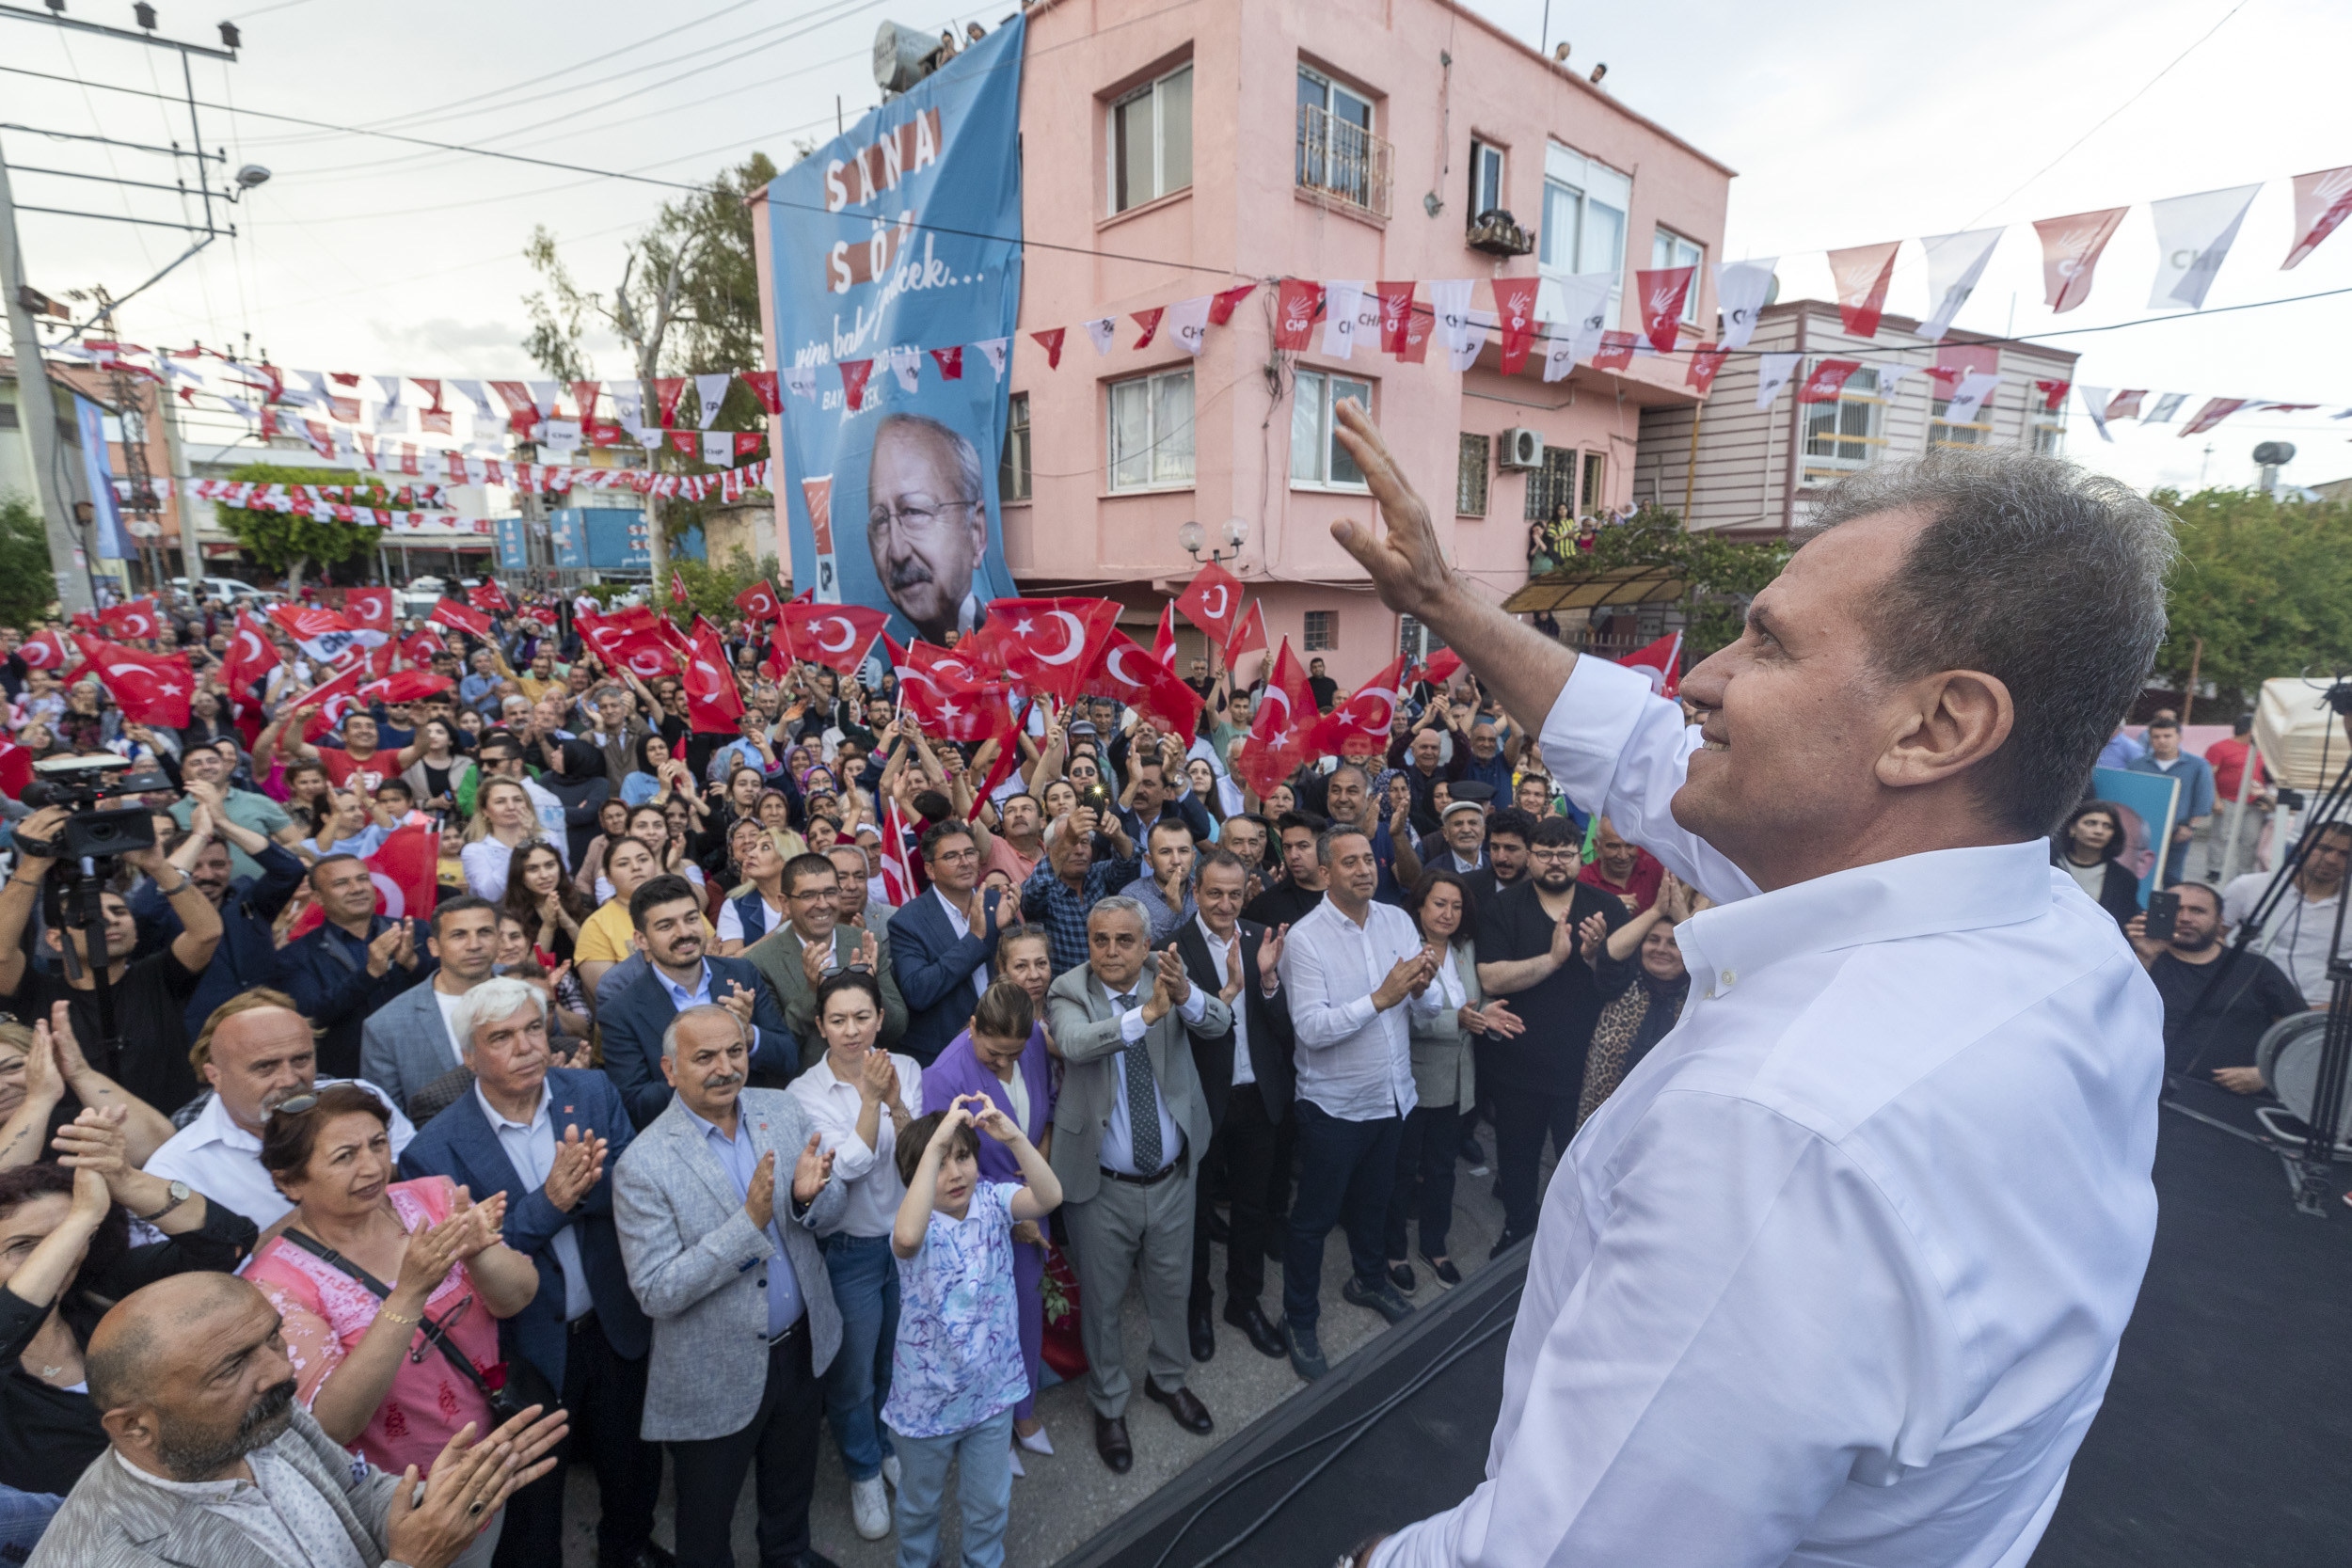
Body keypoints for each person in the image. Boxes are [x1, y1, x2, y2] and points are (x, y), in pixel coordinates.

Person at [1324, 404, 2170, 1568]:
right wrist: (1446, 604)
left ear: (1938, 725)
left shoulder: (1778, 1132)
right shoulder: (2065, 944)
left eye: (1767, 644)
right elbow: (1645, 757)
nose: (1700, 680)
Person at [26, 1273, 565, 1568]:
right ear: (135, 1427)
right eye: (232, 1367)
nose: (279, 1369)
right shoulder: (116, 1554)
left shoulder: (260, 1420)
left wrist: (435, 1502)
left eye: (272, 1337)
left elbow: (358, 1494)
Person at [394, 977, 663, 1568]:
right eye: (501, 1037)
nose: (526, 1047)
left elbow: (632, 1186)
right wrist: (551, 1201)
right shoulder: (432, 1151)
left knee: (633, 1460)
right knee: (535, 1495)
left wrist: (525, 1217)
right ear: (468, 1055)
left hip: (613, 1320)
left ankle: (627, 1549)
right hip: (523, 1349)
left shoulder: (591, 1091)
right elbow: (464, 1262)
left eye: (533, 1029)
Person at [242, 1084, 541, 1565]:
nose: (372, 1167)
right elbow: (333, 1423)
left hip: (494, 1454)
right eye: (344, 1156)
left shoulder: (432, 1196)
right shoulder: (277, 1281)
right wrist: (410, 1292)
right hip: (403, 1500)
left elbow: (517, 1298)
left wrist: (478, 1251)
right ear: (290, 1182)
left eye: (378, 1144)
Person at [611, 1005, 846, 1568]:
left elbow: (830, 1211)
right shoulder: (642, 1165)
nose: (725, 1067)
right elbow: (656, 1290)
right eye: (705, 1057)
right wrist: (749, 1225)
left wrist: (809, 1200)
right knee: (706, 1520)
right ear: (670, 1070)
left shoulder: (781, 1109)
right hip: (713, 1371)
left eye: (735, 1051)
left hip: (801, 1344)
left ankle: (787, 1555)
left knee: (791, 1488)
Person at [1043, 896, 1229, 1472]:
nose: (1112, 952)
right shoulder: (1067, 991)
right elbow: (1075, 1044)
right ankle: (1108, 1404)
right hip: (1101, 1186)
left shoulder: (1166, 974)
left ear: (1146, 945)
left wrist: (1187, 996)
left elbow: (1220, 1023)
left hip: (1174, 1177)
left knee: (1172, 1288)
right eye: (1101, 940)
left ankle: (1168, 1380)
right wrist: (1148, 1014)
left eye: (1125, 940)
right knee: (1101, 1302)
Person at [0, 1107, 256, 1499]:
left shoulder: (101, 1295)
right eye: (23, 1246)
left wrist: (126, 1178)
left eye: (70, 1238)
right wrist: (80, 1216)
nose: (59, 1256)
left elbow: (228, 1243)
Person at [1275, 828, 1439, 1378]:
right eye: (1350, 863)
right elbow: (1311, 1029)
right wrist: (1380, 999)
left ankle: (1368, 1281)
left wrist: (1420, 991)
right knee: (1314, 1221)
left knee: (1376, 1203)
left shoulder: (1396, 920)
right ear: (1325, 874)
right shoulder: (1305, 939)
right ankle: (1299, 1318)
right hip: (1334, 1108)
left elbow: (1428, 1006)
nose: (1365, 870)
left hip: (1392, 1098)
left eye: (1369, 859)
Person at [884, 1097, 1062, 1568]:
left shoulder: (993, 1201)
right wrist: (939, 1138)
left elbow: (1049, 1197)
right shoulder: (912, 1225)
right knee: (919, 1506)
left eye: (962, 1157)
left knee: (988, 1506)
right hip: (925, 1403)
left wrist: (1015, 1138)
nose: (955, 1173)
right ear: (915, 1178)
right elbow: (905, 1240)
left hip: (991, 1394)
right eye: (939, 1165)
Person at [785, 970, 923, 1541]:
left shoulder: (907, 1069)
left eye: (861, 1017)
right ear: (820, 1026)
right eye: (837, 1020)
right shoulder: (803, 1094)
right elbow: (843, 1171)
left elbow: (919, 1154)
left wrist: (895, 1102)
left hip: (906, 1243)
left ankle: (887, 1444)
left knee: (895, 1359)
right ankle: (862, 1470)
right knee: (852, 1376)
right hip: (848, 1251)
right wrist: (871, 1099)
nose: (851, 1031)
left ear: (879, 1018)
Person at [0, 806, 221, 1117]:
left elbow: (207, 933)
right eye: (87, 916)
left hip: (168, 1143)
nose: (107, 922)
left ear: (136, 933)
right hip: (72, 1147)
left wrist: (158, 866)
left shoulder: (158, 978)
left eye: (119, 913)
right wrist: (32, 866)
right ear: (54, 939)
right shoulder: (36, 993)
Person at [1473, 814, 1628, 1249]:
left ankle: (1574, 1239)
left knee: (1578, 1160)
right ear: (1530, 858)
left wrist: (1596, 955)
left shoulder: (1606, 908)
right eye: (1545, 855)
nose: (1555, 863)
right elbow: (1491, 978)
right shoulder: (1505, 908)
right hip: (1517, 1065)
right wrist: (1554, 959)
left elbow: (1617, 986)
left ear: (1582, 857)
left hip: (1584, 1068)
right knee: (1517, 1156)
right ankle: (1519, 1228)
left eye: (1565, 854)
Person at [146, 990, 417, 1229]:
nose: (289, 1080)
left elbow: (420, 1180)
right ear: (214, 1076)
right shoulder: (174, 1170)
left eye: (301, 1060)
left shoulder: (361, 1099)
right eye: (265, 1067)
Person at [924, 965, 1057, 1449]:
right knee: (984, 1324)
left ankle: (1024, 1412)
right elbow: (947, 1169)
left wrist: (1036, 1156)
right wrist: (1012, 1217)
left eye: (1014, 1055)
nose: (1003, 1064)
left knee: (1025, 1311)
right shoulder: (943, 1077)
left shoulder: (1035, 1042)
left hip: (1030, 1201)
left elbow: (1046, 1110)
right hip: (980, 1219)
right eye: (993, 1053)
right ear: (973, 1026)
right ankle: (991, 1429)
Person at [1169, 847, 1294, 1362]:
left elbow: (1285, 1028)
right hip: (1200, 1099)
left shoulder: (1262, 938)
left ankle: (1244, 1302)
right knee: (1196, 1216)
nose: (1225, 903)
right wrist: (1223, 992)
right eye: (1215, 893)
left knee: (1252, 1210)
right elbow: (1172, 1032)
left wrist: (1267, 982)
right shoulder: (1169, 950)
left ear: (1248, 893)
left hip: (1258, 1095)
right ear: (1195, 891)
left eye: (1235, 894)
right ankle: (1198, 1306)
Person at [1385, 869, 1513, 1292]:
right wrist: (1457, 1021)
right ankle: (1394, 1251)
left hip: (1459, 1081)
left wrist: (1488, 1014)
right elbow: (1398, 1017)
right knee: (1402, 1171)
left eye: (1456, 906)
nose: (1448, 914)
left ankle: (1435, 1246)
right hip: (1416, 1079)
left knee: (1442, 1170)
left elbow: (1477, 1000)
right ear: (1419, 905)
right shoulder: (1401, 952)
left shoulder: (1464, 949)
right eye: (1439, 904)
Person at [598, 874, 798, 1128]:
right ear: (641, 940)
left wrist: (747, 1034)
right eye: (666, 926)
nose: (684, 933)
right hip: (682, 1137)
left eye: (692, 919)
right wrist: (699, 1071)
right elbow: (636, 1104)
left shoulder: (741, 974)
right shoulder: (621, 1011)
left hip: (759, 1123)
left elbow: (789, 1059)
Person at [135, 807, 304, 1037]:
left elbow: (289, 869)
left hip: (266, 1024)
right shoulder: (161, 912)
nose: (207, 875)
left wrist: (224, 824)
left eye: (217, 865)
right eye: (194, 866)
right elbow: (144, 911)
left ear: (230, 866)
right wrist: (199, 836)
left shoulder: (249, 898)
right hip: (198, 1035)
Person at [2126, 881, 2305, 1096]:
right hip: (2149, 1092)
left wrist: (2266, 1074)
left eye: (2197, 911)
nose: (2185, 918)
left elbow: (2305, 1032)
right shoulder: (2138, 961)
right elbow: (2111, 1017)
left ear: (2220, 921)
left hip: (2234, 1099)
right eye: (2177, 909)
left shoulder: (2255, 968)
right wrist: (2146, 956)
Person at [743, 852, 909, 1061]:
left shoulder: (864, 941)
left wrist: (870, 985)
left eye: (830, 893)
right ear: (785, 903)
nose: (822, 904)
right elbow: (779, 1048)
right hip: (804, 1084)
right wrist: (812, 992)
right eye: (808, 895)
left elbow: (897, 1028)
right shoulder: (760, 962)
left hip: (869, 1073)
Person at [360, 897, 504, 1118]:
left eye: (484, 932)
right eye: (459, 935)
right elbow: (388, 1121)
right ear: (434, 947)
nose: (474, 945)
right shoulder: (386, 1026)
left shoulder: (528, 987)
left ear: (499, 939)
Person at [1575, 874, 1699, 1125]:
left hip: (1662, 1120)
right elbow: (1609, 953)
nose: (1661, 949)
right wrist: (1655, 911)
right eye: (1653, 940)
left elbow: (1714, 962)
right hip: (1606, 1118)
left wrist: (1681, 915)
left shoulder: (1697, 995)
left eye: (1673, 943)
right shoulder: (1623, 983)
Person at [867, 412, 993, 645]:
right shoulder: (897, 676)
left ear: (976, 532)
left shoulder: (1010, 658)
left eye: (914, 512)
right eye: (881, 521)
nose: (897, 552)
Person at [892, 821, 1011, 1065]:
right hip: (946, 1055)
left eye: (969, 853)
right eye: (951, 856)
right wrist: (974, 940)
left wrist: (1009, 932)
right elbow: (918, 991)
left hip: (1005, 1044)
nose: (965, 862)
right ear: (930, 870)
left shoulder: (995, 901)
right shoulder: (907, 921)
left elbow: (1017, 970)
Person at [2221, 818, 2352, 1008]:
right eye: (2323, 848)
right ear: (2302, 846)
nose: (2332, 859)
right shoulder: (2249, 887)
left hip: (2329, 1015)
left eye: (2344, 854)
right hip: (2253, 1005)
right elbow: (2216, 938)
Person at [2126, 716, 2214, 887]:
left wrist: (2190, 827)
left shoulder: (2198, 765)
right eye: (2156, 737)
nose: (2162, 741)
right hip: (2140, 832)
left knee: (2171, 877)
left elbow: (2203, 800)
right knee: (2135, 874)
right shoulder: (2137, 765)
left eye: (2167, 736)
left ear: (2179, 738)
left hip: (2177, 833)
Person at [461, 778, 562, 904]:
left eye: (518, 800)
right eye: (500, 802)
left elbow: (564, 877)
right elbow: (490, 895)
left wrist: (532, 839)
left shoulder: (549, 838)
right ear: (485, 811)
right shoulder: (475, 850)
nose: (511, 807)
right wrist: (520, 844)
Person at [2052, 799, 2145, 931]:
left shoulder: (2124, 879)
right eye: (2091, 823)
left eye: (2107, 826)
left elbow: (2120, 927)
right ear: (2072, 828)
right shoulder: (2050, 864)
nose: (2099, 831)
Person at [2201, 711, 2272, 879]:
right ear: (2250, 730)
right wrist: (2215, 800)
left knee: (2251, 839)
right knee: (2221, 836)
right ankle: (2215, 870)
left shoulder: (2260, 750)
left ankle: (2244, 872)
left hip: (2254, 803)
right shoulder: (2219, 748)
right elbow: (2209, 776)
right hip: (2227, 800)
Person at [1243, 812, 1330, 929]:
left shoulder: (1346, 898)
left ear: (1322, 848)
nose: (1293, 855)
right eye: (1287, 847)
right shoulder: (1266, 905)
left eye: (1303, 846)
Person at [1129, 818, 1200, 943]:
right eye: (1165, 852)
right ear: (1149, 860)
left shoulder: (1204, 891)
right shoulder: (1132, 898)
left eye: (1183, 851)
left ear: (1193, 857)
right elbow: (1140, 949)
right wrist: (1172, 911)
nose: (1176, 860)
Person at [1577, 815, 1664, 913]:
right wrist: (1610, 907)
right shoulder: (1580, 881)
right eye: (1614, 847)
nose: (1623, 856)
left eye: (1630, 846)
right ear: (1596, 846)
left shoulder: (1657, 871)